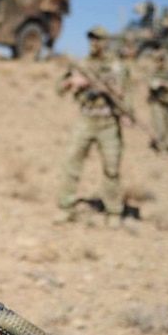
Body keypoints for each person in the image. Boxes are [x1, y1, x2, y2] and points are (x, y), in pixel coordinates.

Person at [56, 25, 132, 224]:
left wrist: (127, 113)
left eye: (98, 39)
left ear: (106, 42)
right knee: (71, 161)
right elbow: (59, 87)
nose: (94, 43)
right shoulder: (82, 64)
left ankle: (114, 211)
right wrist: (72, 82)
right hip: (86, 119)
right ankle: (66, 207)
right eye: (91, 39)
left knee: (111, 168)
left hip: (108, 122)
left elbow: (126, 93)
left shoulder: (117, 66)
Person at [146, 51, 168, 153]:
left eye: (161, 60)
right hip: (158, 103)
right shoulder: (153, 73)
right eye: (157, 61)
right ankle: (162, 149)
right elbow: (152, 85)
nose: (159, 63)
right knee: (160, 128)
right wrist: (162, 83)